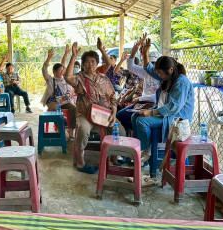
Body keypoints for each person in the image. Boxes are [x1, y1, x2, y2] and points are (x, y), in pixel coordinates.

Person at [132, 38, 195, 162]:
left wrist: (151, 113)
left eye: (161, 74)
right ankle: (141, 147)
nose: (159, 76)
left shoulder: (181, 82)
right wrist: (145, 54)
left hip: (177, 119)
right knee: (135, 116)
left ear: (170, 70)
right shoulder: (169, 77)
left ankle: (147, 150)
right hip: (168, 115)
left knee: (142, 121)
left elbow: (173, 107)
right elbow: (150, 70)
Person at [65, 40, 117, 174]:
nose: (90, 64)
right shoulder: (80, 77)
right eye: (87, 62)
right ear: (83, 64)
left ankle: (113, 155)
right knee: (83, 129)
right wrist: (73, 56)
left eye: (93, 61)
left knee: (120, 131)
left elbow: (112, 97)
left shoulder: (103, 78)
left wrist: (114, 112)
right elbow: (68, 76)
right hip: (85, 114)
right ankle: (80, 157)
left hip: (105, 114)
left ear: (97, 63)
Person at [117, 34, 161, 136]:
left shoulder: (162, 76)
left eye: (155, 63)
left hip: (153, 105)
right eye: (151, 63)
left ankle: (140, 140)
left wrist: (139, 99)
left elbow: (158, 97)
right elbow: (131, 66)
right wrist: (133, 52)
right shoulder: (146, 71)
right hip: (142, 102)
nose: (152, 66)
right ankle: (130, 137)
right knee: (121, 115)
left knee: (136, 119)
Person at [41, 46, 76, 140]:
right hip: (53, 102)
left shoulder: (65, 80)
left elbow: (69, 92)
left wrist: (64, 98)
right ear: (54, 71)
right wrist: (49, 58)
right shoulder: (50, 79)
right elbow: (44, 70)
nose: (62, 72)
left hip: (64, 101)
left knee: (74, 108)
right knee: (56, 109)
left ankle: (70, 129)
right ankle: (60, 130)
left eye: (62, 70)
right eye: (60, 70)